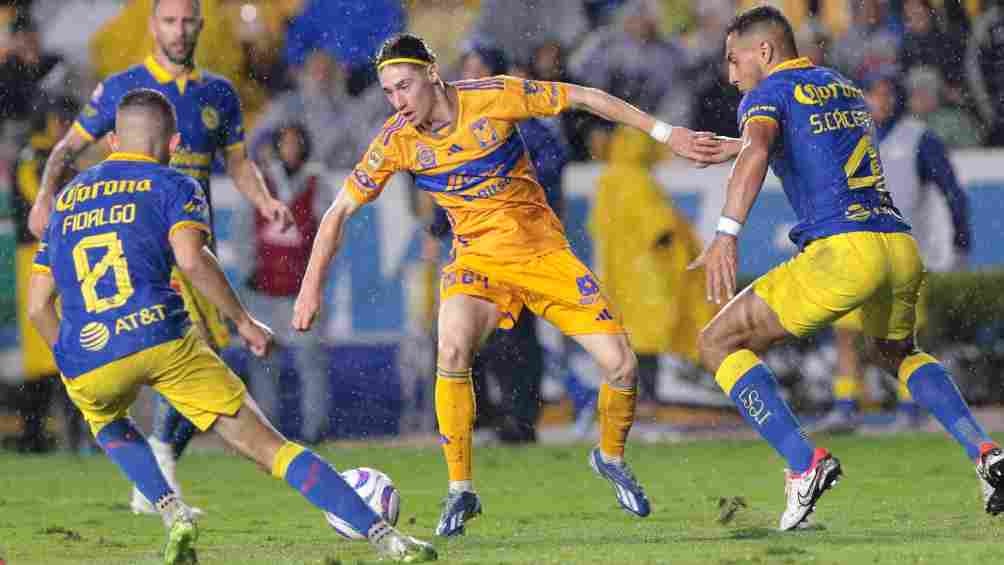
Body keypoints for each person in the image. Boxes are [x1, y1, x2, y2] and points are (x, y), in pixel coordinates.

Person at [292, 33, 718, 537]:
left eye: (404, 86)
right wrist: (311, 286)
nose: (397, 101)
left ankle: (609, 456)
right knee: (452, 348)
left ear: (432, 73)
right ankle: (461, 490)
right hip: (477, 264)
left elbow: (583, 97)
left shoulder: (494, 96)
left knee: (621, 366)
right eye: (388, 91)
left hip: (543, 256)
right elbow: (338, 211)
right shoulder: (396, 140)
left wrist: (666, 133)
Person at [27, 88, 436, 564]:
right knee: (271, 449)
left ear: (113, 142)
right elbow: (189, 258)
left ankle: (173, 512)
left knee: (107, 420)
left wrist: (72, 358)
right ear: (174, 143)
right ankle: (391, 541)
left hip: (88, 354)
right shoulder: (174, 183)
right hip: (162, 338)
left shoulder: (68, 197)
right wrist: (243, 321)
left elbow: (38, 306)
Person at [690, 6, 1003, 531]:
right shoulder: (842, 86)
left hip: (843, 250)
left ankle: (803, 463)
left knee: (717, 343)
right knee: (897, 351)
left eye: (733, 59)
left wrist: (726, 233)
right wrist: (739, 146)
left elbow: (761, 148)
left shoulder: (765, 93)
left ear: (764, 51)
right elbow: (814, 147)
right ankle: (987, 453)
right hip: (897, 245)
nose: (730, 73)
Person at [26, 0, 294, 516]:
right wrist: (44, 198)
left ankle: (157, 471)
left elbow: (238, 162)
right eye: (169, 21)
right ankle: (158, 468)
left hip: (190, 244)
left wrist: (264, 202)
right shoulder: (124, 89)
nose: (179, 31)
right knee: (192, 355)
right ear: (153, 26)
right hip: (144, 250)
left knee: (207, 357)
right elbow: (65, 149)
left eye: (188, 21)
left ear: (200, 25)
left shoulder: (218, 93)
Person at [815, 73, 972, 434]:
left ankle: (909, 407)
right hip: (855, 250)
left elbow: (952, 190)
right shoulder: (847, 135)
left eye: (886, 94)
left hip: (903, 250)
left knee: (902, 335)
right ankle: (845, 405)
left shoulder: (918, 139)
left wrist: (961, 239)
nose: (879, 101)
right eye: (872, 93)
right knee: (846, 332)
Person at [8, 94, 91, 454]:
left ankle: (58, 434)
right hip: (36, 256)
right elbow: (43, 207)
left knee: (58, 345)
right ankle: (35, 433)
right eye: (61, 119)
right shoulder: (34, 157)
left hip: (57, 254)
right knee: (45, 349)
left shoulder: (53, 158)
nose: (65, 126)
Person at [245, 123, 332, 443]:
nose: (291, 149)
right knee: (263, 361)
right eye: (285, 143)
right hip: (264, 288)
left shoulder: (316, 183)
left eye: (296, 143)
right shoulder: (262, 183)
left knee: (311, 360)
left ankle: (314, 430)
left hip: (300, 290)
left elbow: (328, 232)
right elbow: (244, 229)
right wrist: (250, 268)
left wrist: (317, 278)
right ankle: (267, 432)